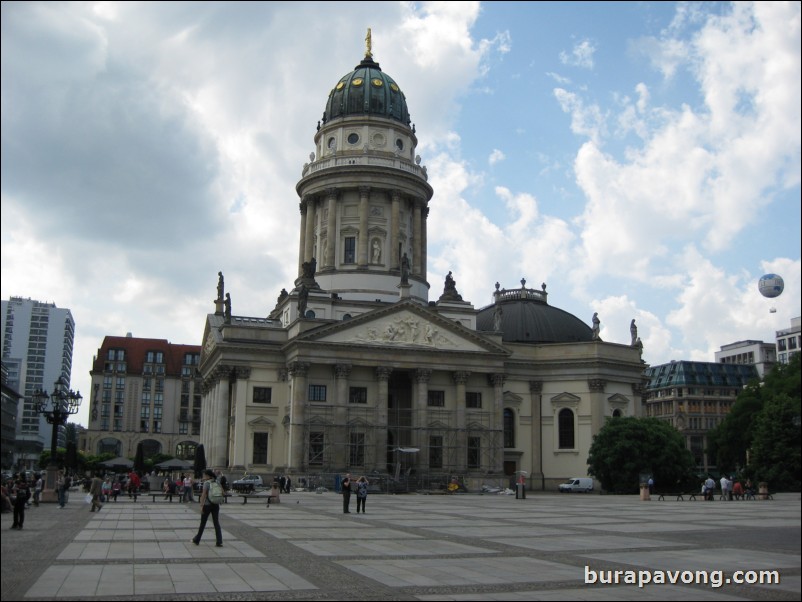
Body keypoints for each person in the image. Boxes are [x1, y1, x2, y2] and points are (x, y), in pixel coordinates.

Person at [192, 469, 222, 547]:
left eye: (204, 475)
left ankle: (197, 540)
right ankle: (219, 541)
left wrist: (201, 505)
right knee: (216, 523)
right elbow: (222, 492)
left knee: (203, 523)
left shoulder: (206, 483)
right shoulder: (217, 482)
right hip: (216, 505)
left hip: (207, 505)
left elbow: (204, 495)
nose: (204, 476)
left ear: (208, 476)